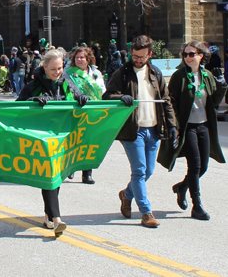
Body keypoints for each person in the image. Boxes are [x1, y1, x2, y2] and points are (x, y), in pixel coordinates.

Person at [103, 35, 177, 228]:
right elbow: (108, 96)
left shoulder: (156, 73)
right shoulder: (122, 73)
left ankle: (126, 195)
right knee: (139, 171)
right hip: (132, 130)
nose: (137, 60)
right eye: (135, 56)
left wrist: (172, 126)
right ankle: (146, 212)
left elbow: (166, 101)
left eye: (142, 57)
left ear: (149, 55)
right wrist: (122, 97)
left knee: (148, 171)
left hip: (153, 129)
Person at [17, 49, 89, 237]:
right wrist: (33, 102)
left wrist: (82, 98)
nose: (57, 72)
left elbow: (77, 97)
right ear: (45, 67)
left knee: (56, 179)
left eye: (60, 68)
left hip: (63, 137)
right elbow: (17, 107)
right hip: (42, 138)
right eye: (53, 69)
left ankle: (49, 214)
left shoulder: (67, 82)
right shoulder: (33, 85)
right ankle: (57, 219)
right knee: (50, 175)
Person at [157, 41, 227, 220]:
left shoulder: (207, 75)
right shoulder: (179, 76)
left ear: (201, 55)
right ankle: (196, 205)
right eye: (185, 54)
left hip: (204, 125)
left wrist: (222, 86)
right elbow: (170, 102)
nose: (188, 57)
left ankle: (182, 187)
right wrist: (175, 126)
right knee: (194, 165)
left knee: (203, 165)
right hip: (187, 127)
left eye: (192, 54)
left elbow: (214, 101)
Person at [63, 46, 106, 184]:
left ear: (88, 59)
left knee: (89, 142)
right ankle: (71, 168)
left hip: (92, 111)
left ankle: (87, 173)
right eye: (77, 57)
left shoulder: (96, 73)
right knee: (75, 140)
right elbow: (67, 89)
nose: (79, 60)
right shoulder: (68, 73)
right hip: (76, 110)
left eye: (82, 57)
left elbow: (102, 90)